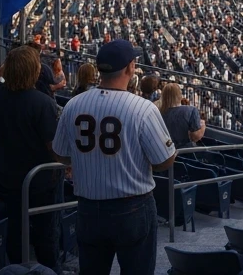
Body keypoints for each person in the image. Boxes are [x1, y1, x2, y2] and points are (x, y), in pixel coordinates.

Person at [53, 39, 177, 275]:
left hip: (88, 207)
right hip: (133, 207)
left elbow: (60, 154)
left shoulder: (73, 104)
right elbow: (164, 161)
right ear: (130, 67)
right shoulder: (143, 108)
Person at [0, 46, 58, 270]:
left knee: (14, 231)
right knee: (45, 234)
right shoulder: (43, 103)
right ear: (35, 70)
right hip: (38, 181)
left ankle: (17, 269)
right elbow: (53, 147)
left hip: (7, 176)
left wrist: (2, 70)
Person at [157, 82, 205, 150]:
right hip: (185, 154)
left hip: (164, 153)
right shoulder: (191, 110)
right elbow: (195, 137)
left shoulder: (158, 113)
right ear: (180, 95)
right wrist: (203, 126)